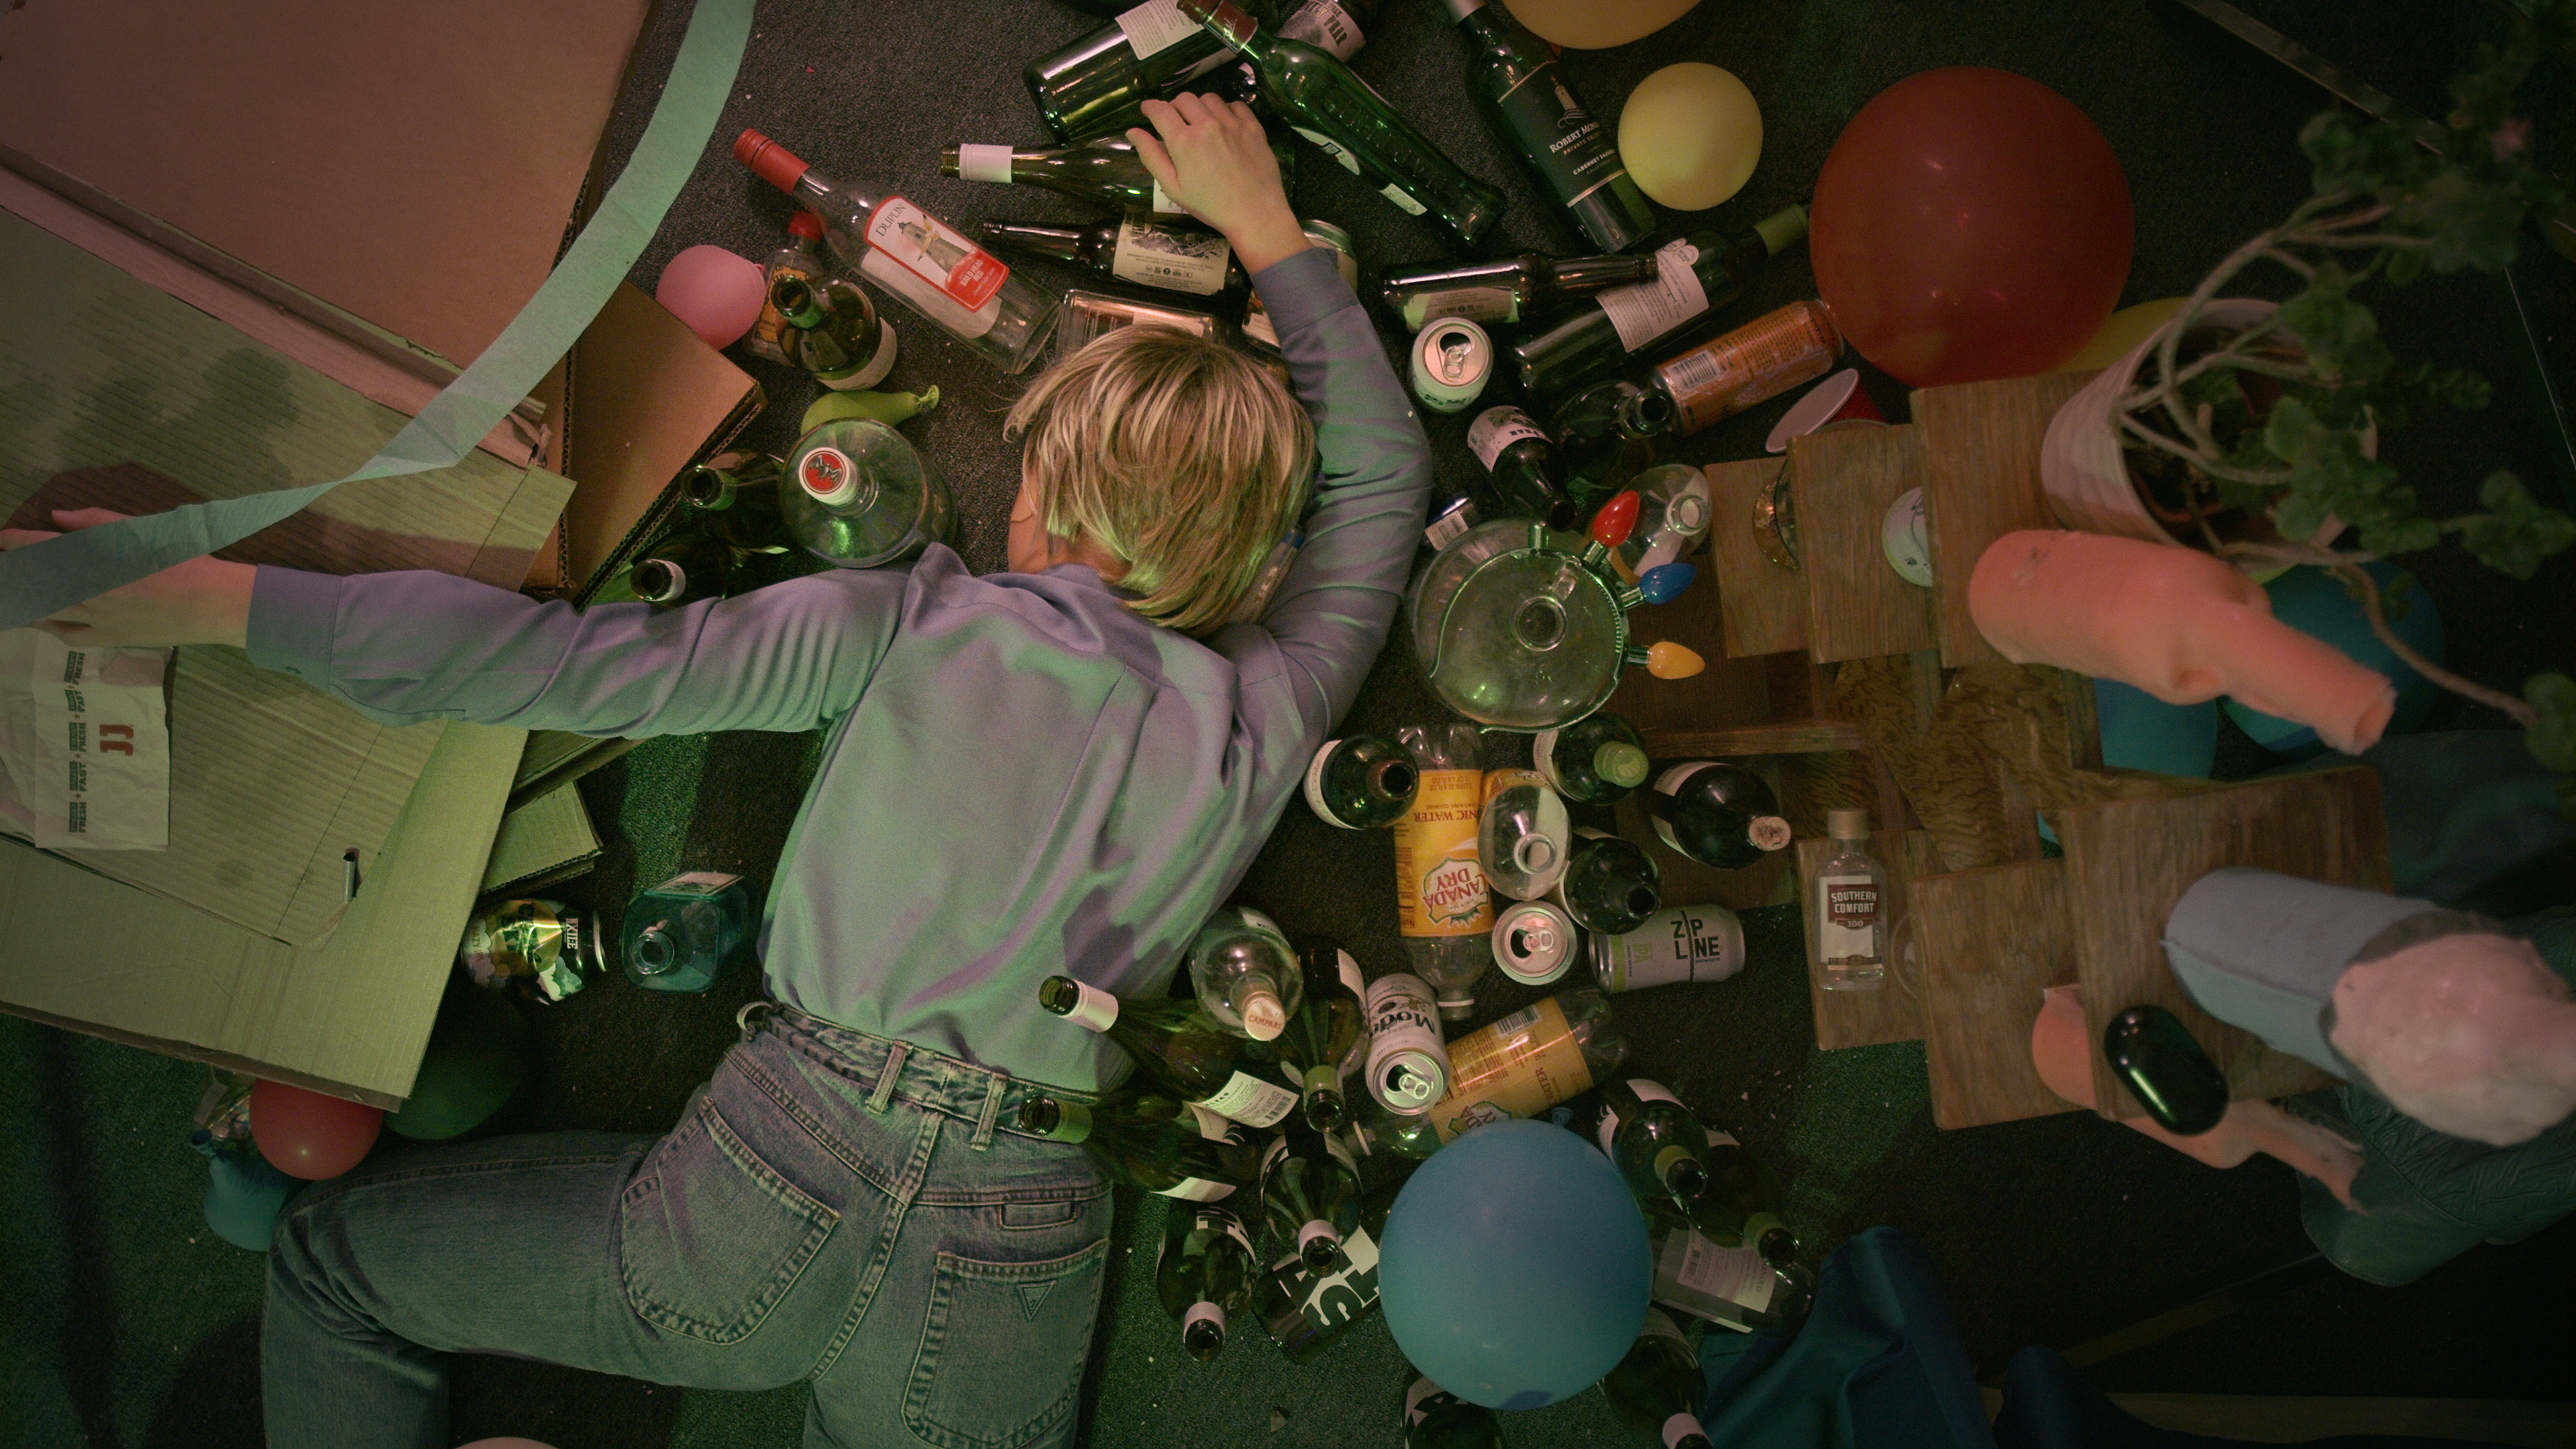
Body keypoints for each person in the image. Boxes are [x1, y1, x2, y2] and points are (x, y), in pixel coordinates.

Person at [3, 95, 1429, 1449]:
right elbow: (1385, 479)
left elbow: (542, 663)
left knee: (330, 1262)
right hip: (1033, 1217)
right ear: (1257, 568)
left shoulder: (906, 621)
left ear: (1042, 490)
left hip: (774, 1181)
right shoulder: (1266, 710)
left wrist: (211, 603)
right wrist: (1273, 236)